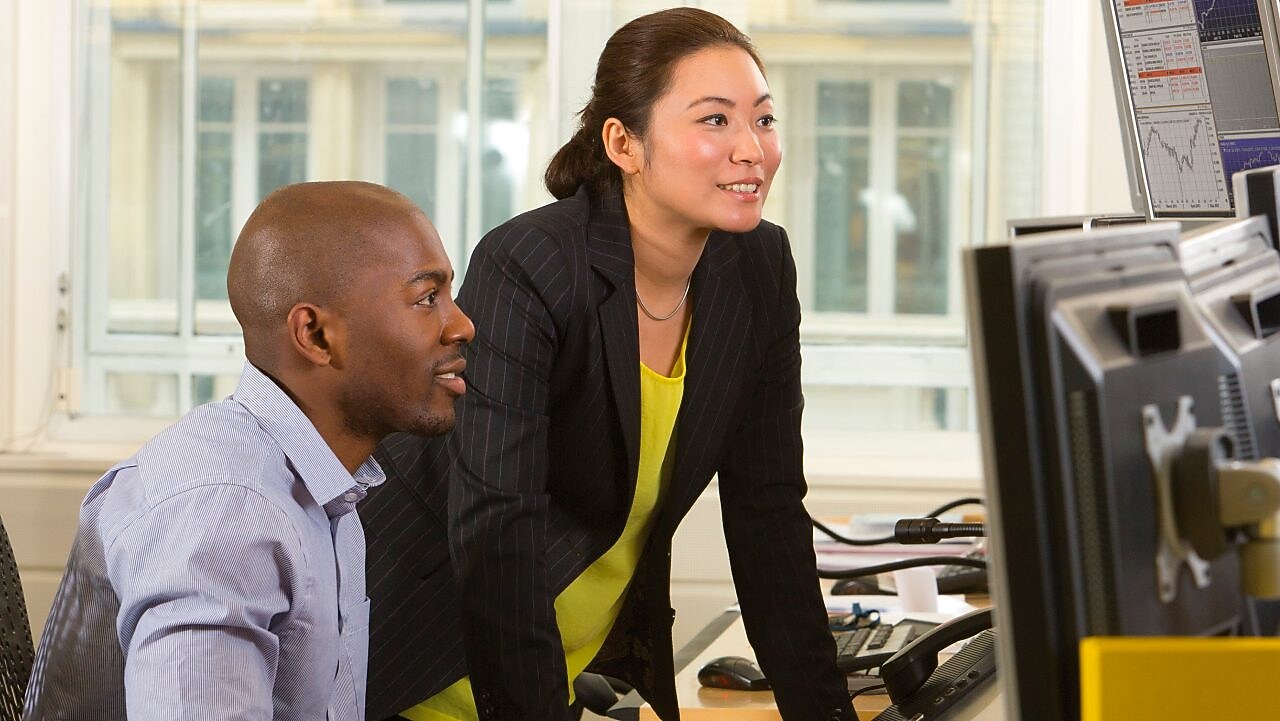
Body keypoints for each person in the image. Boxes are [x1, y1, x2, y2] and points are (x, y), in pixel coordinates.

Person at [362, 7, 857, 721]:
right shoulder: (530, 264)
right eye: (714, 121)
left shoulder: (757, 267)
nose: (752, 148)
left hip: (562, 670)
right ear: (623, 142)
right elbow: (496, 536)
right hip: (431, 665)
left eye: (764, 119)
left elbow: (768, 512)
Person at [22, 181, 475, 721]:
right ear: (315, 335)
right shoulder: (227, 520)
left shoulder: (325, 489)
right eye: (427, 298)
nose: (462, 324)